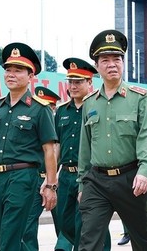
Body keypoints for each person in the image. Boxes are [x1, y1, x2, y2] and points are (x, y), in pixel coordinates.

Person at [0, 42, 58, 251]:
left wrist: (51, 186)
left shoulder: (39, 109)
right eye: (8, 70)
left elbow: (49, 150)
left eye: (18, 70)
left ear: (30, 76)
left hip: (23, 178)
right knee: (0, 236)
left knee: (9, 236)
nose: (11, 74)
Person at [77, 29, 147, 250]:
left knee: (143, 239)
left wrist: (144, 171)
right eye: (105, 60)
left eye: (117, 59)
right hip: (97, 181)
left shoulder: (138, 98)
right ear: (97, 66)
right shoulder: (90, 102)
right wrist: (82, 182)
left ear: (123, 63)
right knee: (88, 239)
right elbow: (85, 145)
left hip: (130, 179)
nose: (112, 64)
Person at [53, 58, 111, 251]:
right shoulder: (62, 111)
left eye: (78, 82)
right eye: (70, 81)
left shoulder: (97, 107)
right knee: (64, 222)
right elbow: (57, 145)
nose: (73, 86)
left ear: (89, 83)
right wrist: (52, 176)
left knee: (88, 223)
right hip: (66, 175)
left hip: (89, 175)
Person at [17, 85, 61, 250]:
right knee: (27, 226)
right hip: (34, 178)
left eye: (49, 107)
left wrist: (53, 181)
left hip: (55, 181)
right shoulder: (31, 121)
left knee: (64, 226)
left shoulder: (59, 124)